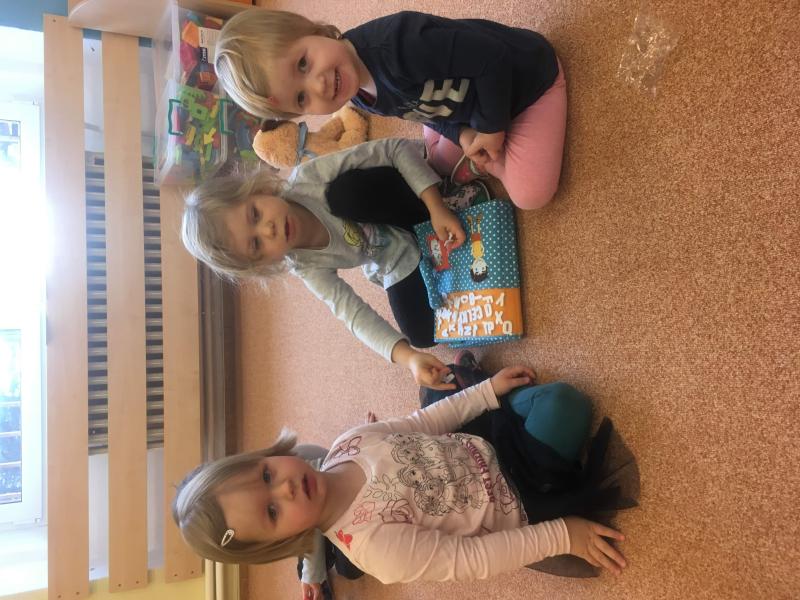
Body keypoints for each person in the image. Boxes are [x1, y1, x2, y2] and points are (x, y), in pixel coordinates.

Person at [172, 365, 637, 583]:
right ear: (282, 542)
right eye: (273, 511)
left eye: (266, 475)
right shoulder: (377, 550)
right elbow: (475, 557)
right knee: (568, 407)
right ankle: (551, 530)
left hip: (483, 444)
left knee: (502, 392)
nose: (287, 487)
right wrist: (562, 535)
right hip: (521, 498)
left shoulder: (347, 443)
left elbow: (423, 424)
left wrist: (485, 391)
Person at [182, 137, 466, 390]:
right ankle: (430, 240)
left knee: (345, 196)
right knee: (422, 332)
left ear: (256, 190)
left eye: (255, 214)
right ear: (262, 263)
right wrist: (410, 358)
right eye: (256, 244)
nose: (268, 229)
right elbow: (352, 314)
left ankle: (446, 196)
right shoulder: (305, 266)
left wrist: (436, 207)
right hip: (395, 253)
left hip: (406, 196)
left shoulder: (310, 179)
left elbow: (395, 149)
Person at [215, 9, 567, 210]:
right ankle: (476, 147)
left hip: (527, 80)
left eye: (303, 64)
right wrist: (461, 133)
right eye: (302, 99)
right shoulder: (355, 91)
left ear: (311, 29)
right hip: (462, 106)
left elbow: (494, 57)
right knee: (436, 160)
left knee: (529, 195)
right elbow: (420, 112)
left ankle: (493, 156)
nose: (319, 86)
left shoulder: (400, 44)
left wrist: (491, 129)